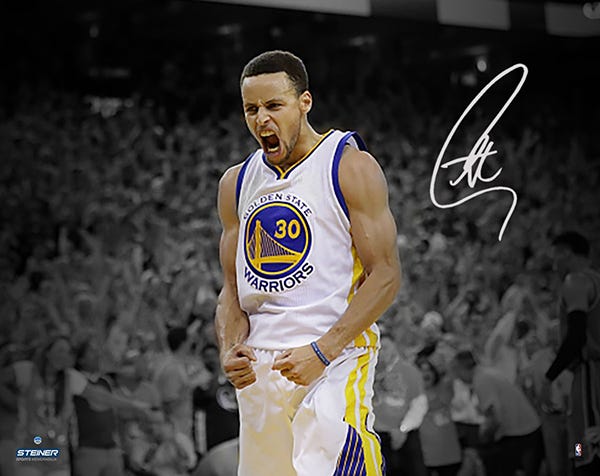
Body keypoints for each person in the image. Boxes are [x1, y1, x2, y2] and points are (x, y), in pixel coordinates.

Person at [215, 50, 401, 476]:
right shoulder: (235, 183)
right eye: (251, 109)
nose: (261, 119)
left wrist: (323, 350)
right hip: (260, 370)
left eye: (273, 105)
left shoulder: (349, 165)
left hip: (331, 359)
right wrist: (228, 348)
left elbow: (386, 275)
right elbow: (232, 290)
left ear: (304, 102)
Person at [542, 231, 600, 475]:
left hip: (590, 375)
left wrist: (549, 377)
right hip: (589, 375)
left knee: (584, 443)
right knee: (581, 436)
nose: (554, 265)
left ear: (566, 253)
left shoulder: (575, 282)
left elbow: (576, 335)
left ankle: (580, 463)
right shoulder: (596, 279)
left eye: (555, 257)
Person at [452, 350, 544, 476]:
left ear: (462, 368)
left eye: (456, 370)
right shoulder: (485, 373)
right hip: (526, 429)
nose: (457, 377)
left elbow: (494, 419)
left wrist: (484, 439)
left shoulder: (482, 380)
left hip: (520, 432)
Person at [373, 336, 428, 476]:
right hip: (377, 435)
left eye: (385, 347)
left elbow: (419, 404)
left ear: (395, 347)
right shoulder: (369, 372)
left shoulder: (409, 371)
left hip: (406, 434)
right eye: (378, 348)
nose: (381, 352)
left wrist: (403, 429)